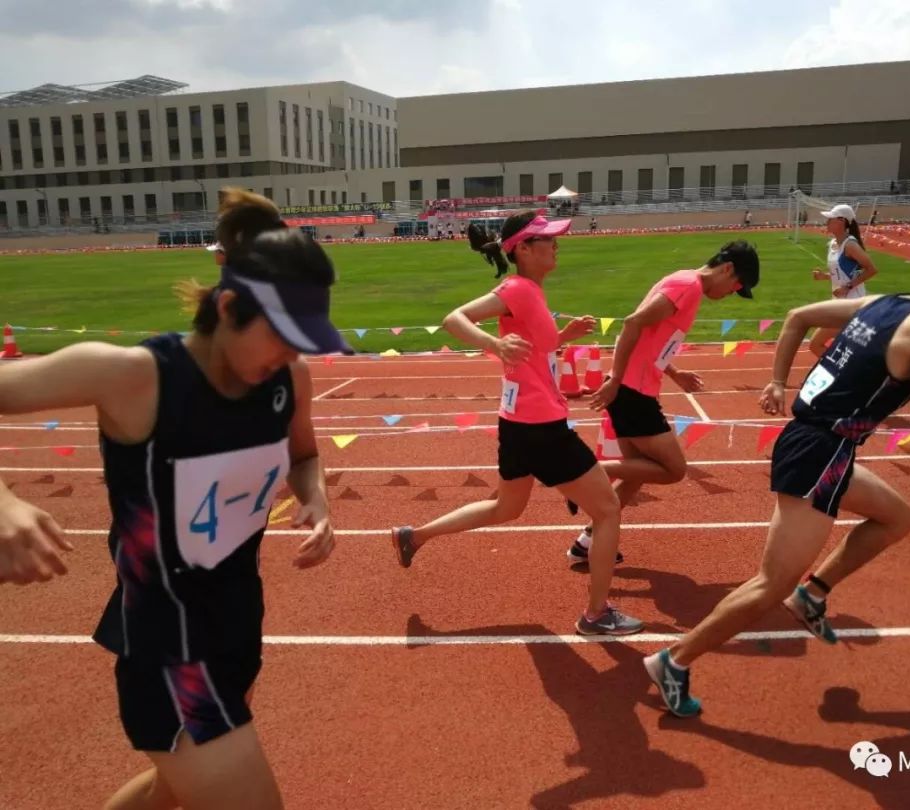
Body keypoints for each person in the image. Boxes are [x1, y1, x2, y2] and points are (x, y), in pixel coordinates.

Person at [0, 188, 351, 808]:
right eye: (283, 336)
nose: (295, 355)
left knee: (168, 794)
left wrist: (315, 497)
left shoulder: (286, 378)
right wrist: (4, 504)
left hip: (238, 627)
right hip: (168, 650)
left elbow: (304, 454)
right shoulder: (133, 375)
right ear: (229, 305)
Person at [643, 267, 910, 717]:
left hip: (817, 443)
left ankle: (814, 593)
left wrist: (778, 380)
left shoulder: (883, 302)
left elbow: (798, 316)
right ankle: (674, 660)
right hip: (822, 451)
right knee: (770, 583)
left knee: (897, 518)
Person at [391, 210, 644, 636]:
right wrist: (494, 343)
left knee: (505, 507)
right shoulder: (518, 289)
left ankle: (413, 537)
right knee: (607, 509)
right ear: (523, 250)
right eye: (546, 239)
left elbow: (534, 351)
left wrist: (564, 338)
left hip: (519, 421)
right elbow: (455, 319)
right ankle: (597, 614)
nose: (556, 245)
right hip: (541, 426)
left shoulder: (532, 293)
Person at [568, 241, 760, 565]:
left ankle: (589, 541)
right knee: (674, 470)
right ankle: (583, 473)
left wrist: (674, 372)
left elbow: (652, 338)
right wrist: (614, 380)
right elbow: (632, 323)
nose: (731, 293)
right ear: (727, 269)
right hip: (632, 393)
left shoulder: (688, 286)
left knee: (634, 476)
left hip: (636, 389)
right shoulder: (687, 286)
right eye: (736, 286)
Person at [809, 204, 879, 357]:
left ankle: (841, 375)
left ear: (841, 221)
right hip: (838, 301)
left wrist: (847, 287)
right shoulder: (833, 244)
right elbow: (841, 274)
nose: (827, 222)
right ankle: (848, 375)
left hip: (851, 304)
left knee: (816, 344)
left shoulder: (851, 245)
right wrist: (825, 276)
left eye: (830, 219)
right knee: (846, 351)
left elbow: (871, 269)